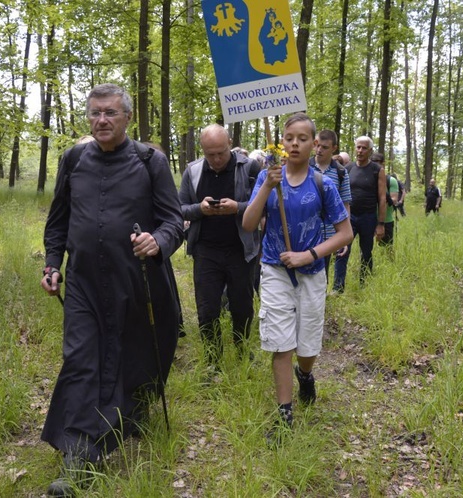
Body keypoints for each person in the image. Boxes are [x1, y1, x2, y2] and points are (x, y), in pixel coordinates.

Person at [40, 83, 184, 496]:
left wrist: (157, 241)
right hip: (84, 282)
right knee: (81, 359)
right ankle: (79, 458)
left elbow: (173, 220)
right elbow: (58, 222)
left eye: (110, 113)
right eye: (94, 113)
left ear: (127, 118)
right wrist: (53, 264)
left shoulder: (149, 161)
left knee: (132, 356)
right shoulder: (73, 160)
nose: (101, 120)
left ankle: (130, 412)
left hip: (135, 281)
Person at [242, 113, 353, 442]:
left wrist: (311, 254)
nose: (294, 143)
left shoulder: (324, 184)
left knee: (306, 345)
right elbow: (248, 224)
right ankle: (284, 413)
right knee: (281, 342)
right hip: (274, 269)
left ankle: (306, 375)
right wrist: (267, 187)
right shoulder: (267, 177)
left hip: (312, 272)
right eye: (289, 137)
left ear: (315, 144)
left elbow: (344, 233)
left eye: (303, 138)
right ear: (281, 141)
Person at [178, 124, 261, 370]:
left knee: (242, 306)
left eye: (221, 153)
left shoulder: (250, 168)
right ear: (202, 150)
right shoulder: (192, 172)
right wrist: (199, 210)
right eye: (209, 154)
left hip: (241, 249)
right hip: (206, 251)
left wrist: (238, 207)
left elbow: (264, 204)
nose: (216, 159)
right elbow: (179, 208)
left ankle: (243, 353)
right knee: (207, 309)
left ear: (230, 144)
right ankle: (212, 361)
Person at [332, 136, 387, 292]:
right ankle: (338, 287)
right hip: (348, 218)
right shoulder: (348, 168)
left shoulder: (377, 170)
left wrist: (381, 224)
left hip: (368, 217)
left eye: (364, 148)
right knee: (342, 250)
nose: (360, 151)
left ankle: (364, 284)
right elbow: (339, 194)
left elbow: (382, 198)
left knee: (366, 251)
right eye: (358, 147)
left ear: (370, 151)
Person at [309, 129, 351, 282]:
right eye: (317, 145)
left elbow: (345, 205)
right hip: (304, 231)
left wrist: (344, 239)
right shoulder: (303, 167)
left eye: (325, 147)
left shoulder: (340, 172)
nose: (319, 150)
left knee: (322, 276)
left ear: (334, 148)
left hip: (328, 234)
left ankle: (319, 305)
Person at [371, 152, 399, 258]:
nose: (375, 165)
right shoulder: (367, 180)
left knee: (387, 248)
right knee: (366, 248)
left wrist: (384, 197)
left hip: (386, 220)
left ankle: (390, 266)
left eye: (378, 162)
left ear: (383, 164)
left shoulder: (390, 180)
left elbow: (394, 200)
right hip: (369, 218)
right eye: (373, 162)